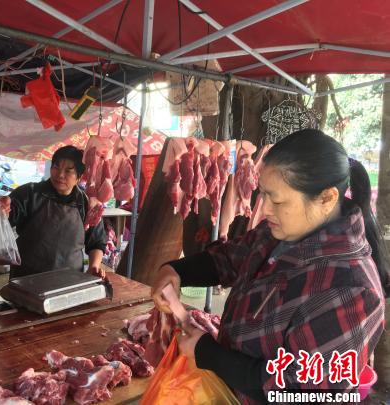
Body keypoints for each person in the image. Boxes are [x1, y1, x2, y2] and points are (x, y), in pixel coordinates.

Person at [151, 129, 388, 403]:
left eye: (276, 200)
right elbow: (230, 258)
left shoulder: (350, 290)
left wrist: (210, 355)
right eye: (263, 195)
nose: (264, 210)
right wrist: (176, 270)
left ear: (326, 198)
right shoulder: (278, 233)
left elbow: (302, 393)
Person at [0, 145, 107, 279]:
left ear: (79, 177)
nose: (60, 174)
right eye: (56, 167)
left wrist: (94, 266)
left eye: (68, 171)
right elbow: (7, 215)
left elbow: (96, 242)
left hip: (69, 281)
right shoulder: (30, 193)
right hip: (27, 279)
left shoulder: (87, 204)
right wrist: (1, 209)